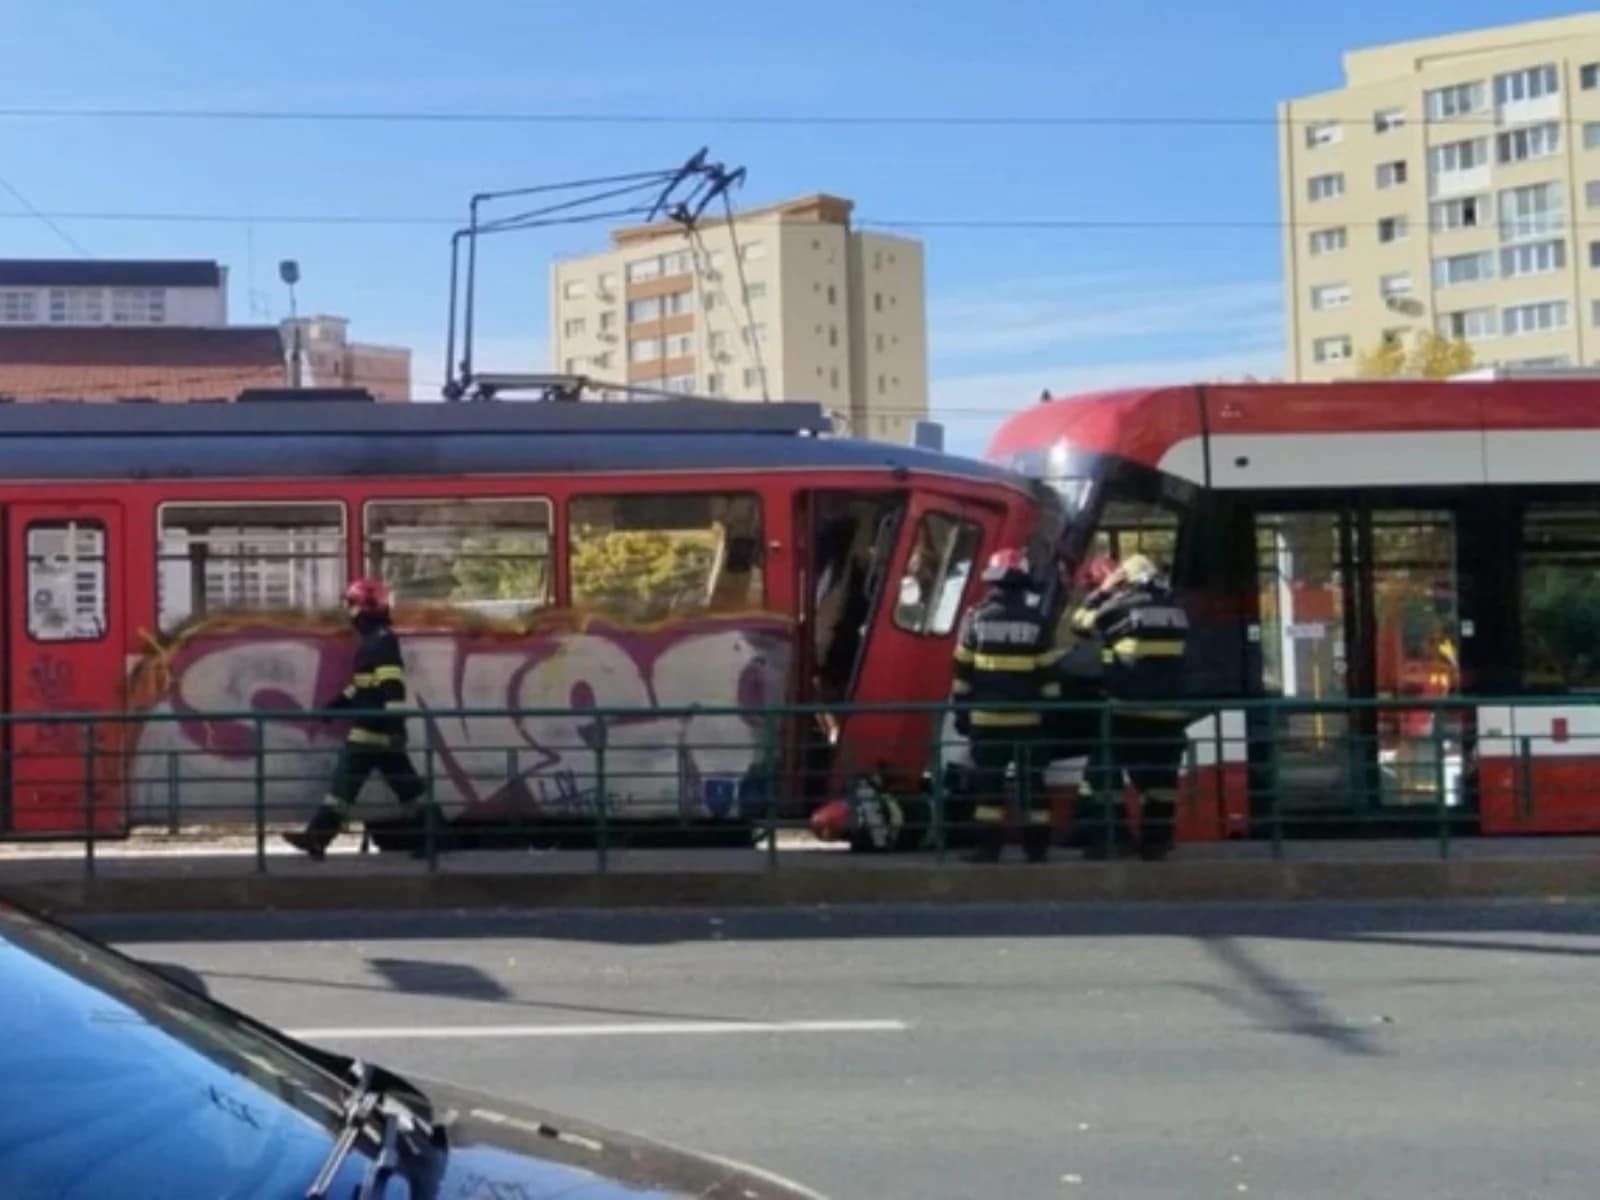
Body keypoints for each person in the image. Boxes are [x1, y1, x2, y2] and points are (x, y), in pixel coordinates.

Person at [284, 578, 438, 860]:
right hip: (376, 729)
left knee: (345, 785)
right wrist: (337, 705)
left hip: (373, 730)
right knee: (406, 788)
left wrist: (395, 728)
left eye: (351, 606)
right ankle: (437, 836)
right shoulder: (375, 640)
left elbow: (392, 687)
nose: (349, 613)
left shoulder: (381, 641)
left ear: (364, 608)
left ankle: (317, 837)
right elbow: (365, 685)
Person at [950, 547, 1068, 863]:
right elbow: (1049, 677)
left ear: (993, 582)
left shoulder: (975, 619)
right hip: (1028, 722)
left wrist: (961, 713)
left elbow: (962, 675)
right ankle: (1037, 849)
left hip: (987, 722)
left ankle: (988, 849)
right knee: (1033, 786)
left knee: (989, 787)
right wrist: (1050, 716)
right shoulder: (1037, 622)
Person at [1071, 553, 1191, 860]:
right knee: (1161, 782)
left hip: (1127, 710)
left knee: (1103, 773)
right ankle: (1156, 844)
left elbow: (1080, 624)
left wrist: (1103, 591)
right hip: (1170, 713)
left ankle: (1112, 839)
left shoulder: (1121, 605)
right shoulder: (1176, 609)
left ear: (1125, 579)